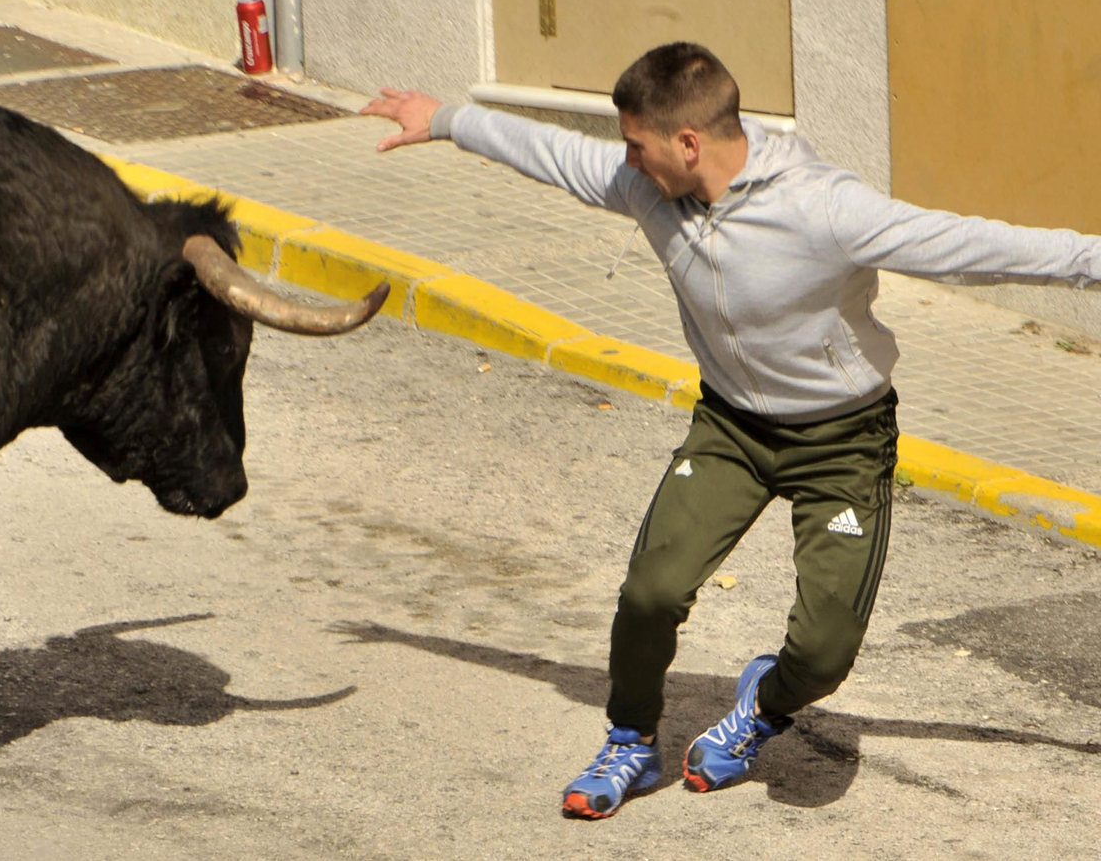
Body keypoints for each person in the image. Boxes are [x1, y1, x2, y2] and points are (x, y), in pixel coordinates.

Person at [360, 42, 1101, 819]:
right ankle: (631, 743)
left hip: (841, 441)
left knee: (823, 653)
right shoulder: (649, 188)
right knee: (649, 593)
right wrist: (443, 118)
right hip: (731, 430)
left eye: (637, 146)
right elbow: (549, 150)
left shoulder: (824, 209)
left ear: (688, 143)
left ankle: (766, 701)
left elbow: (979, 246)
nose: (626, 162)